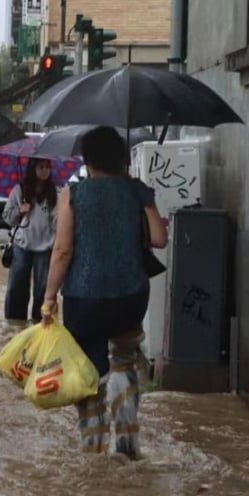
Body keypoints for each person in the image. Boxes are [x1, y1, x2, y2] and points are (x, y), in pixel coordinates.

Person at [42, 126, 166, 460]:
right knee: (124, 360)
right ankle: (126, 441)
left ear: (89, 159)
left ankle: (93, 446)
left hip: (84, 297)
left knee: (87, 369)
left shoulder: (74, 195)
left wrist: (49, 297)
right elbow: (159, 239)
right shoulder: (138, 190)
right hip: (130, 294)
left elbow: (63, 251)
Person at [3, 158, 58, 322]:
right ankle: (14, 322)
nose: (44, 171)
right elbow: (7, 218)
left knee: (42, 288)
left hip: (46, 246)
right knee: (17, 286)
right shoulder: (19, 191)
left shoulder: (54, 192)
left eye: (47, 167)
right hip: (22, 245)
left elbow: (57, 220)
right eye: (41, 167)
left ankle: (39, 322)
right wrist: (20, 211)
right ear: (33, 169)